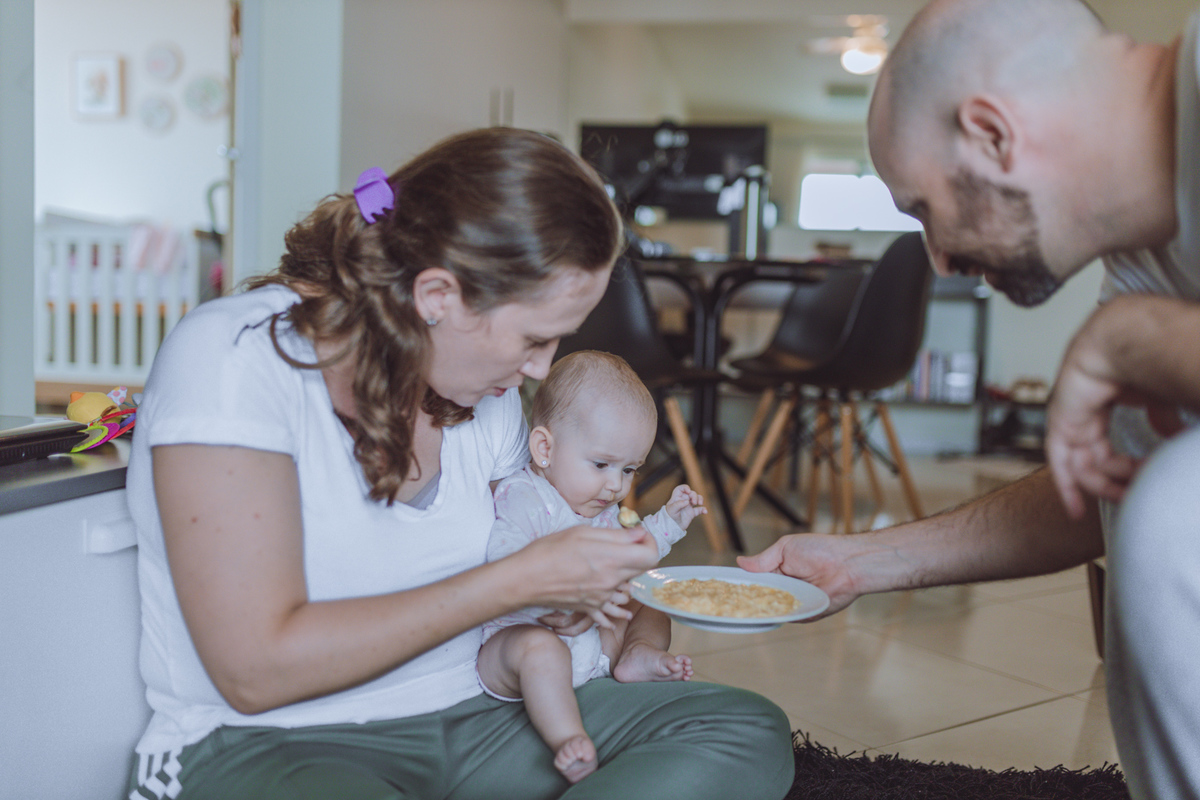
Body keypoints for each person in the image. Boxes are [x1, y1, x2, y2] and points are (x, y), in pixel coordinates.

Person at [124, 127, 794, 800]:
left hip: (476, 716)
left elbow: (550, 545)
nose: (540, 368)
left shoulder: (486, 399)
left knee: (739, 730)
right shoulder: (236, 360)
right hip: (276, 743)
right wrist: (519, 581)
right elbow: (253, 671)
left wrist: (588, 596)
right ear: (438, 297)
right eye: (534, 338)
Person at [737, 2, 1200, 798]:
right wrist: (855, 562)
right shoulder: (1144, 267)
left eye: (923, 208)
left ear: (993, 134)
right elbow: (1095, 495)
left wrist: (1133, 340)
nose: (942, 261)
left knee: (1179, 505)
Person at [477, 350, 705, 784]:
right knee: (538, 650)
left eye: (630, 469)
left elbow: (632, 550)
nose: (616, 485)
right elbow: (501, 560)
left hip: (594, 645)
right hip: (518, 643)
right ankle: (567, 737)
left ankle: (635, 657)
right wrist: (549, 596)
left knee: (649, 598)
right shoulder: (524, 497)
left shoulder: (600, 506)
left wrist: (669, 523)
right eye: (602, 465)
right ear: (545, 448)